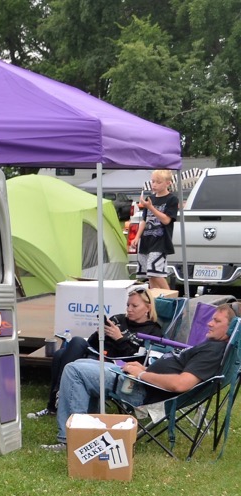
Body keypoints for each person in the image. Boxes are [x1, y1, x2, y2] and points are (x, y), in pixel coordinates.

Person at [41, 303, 234, 451]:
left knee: (74, 371)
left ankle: (71, 441)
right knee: (80, 364)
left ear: (231, 328)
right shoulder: (213, 346)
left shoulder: (213, 352)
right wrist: (144, 369)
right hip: (141, 380)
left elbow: (180, 384)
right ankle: (88, 434)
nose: (209, 323)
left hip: (140, 390)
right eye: (212, 319)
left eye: (217, 321)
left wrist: (142, 374)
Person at [29, 284, 162, 418]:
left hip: (116, 365)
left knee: (62, 354)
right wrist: (99, 334)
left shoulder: (153, 331)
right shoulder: (118, 319)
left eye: (134, 306)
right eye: (128, 305)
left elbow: (140, 360)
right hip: (97, 355)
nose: (129, 309)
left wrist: (119, 339)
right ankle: (57, 397)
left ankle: (55, 400)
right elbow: (92, 343)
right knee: (68, 348)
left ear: (148, 308)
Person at [136, 169, 179, 291]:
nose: (154, 185)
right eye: (153, 181)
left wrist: (151, 207)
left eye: (158, 182)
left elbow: (166, 220)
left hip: (161, 241)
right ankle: (155, 298)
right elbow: (144, 220)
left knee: (156, 272)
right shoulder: (150, 198)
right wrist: (137, 237)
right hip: (146, 240)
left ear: (168, 183)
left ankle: (170, 297)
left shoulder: (172, 199)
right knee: (149, 274)